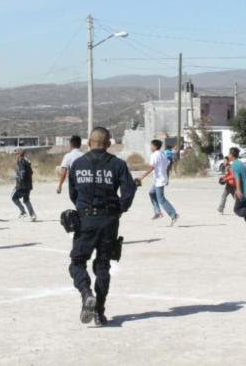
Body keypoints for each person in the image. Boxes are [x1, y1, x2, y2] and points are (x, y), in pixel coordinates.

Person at [68, 126, 137, 326]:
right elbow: (128, 192)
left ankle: (86, 293)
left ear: (89, 143)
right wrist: (120, 208)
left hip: (85, 220)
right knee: (103, 265)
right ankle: (99, 311)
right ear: (108, 145)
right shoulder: (118, 164)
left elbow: (73, 194)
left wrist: (84, 208)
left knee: (77, 262)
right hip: (109, 220)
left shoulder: (78, 164)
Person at [138, 139, 179, 226]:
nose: (150, 147)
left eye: (151, 146)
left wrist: (142, 176)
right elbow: (168, 166)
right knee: (151, 193)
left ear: (155, 147)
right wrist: (167, 178)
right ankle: (158, 212)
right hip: (160, 179)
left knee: (161, 199)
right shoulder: (162, 154)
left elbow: (152, 167)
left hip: (159, 181)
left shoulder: (154, 155)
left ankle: (174, 215)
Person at [12, 149, 36, 221]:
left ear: (19, 154)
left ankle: (23, 212)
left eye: (16, 154)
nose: (15, 155)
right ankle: (32, 215)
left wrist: (19, 180)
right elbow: (31, 172)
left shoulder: (20, 161)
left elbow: (22, 172)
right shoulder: (26, 161)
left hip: (22, 185)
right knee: (26, 200)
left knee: (14, 197)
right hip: (28, 185)